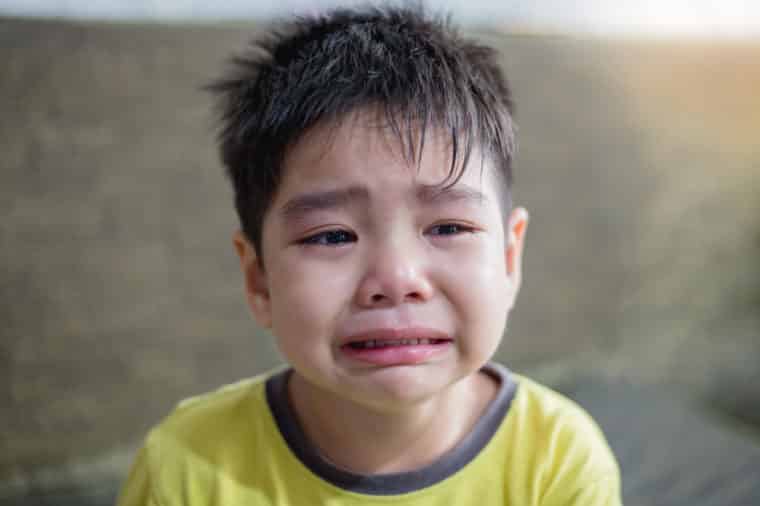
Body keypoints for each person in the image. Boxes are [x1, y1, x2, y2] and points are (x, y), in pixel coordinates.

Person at [116, 4, 622, 505]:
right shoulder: (185, 468)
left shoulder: (559, 462)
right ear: (259, 279)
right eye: (332, 236)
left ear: (510, 259)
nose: (398, 278)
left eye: (448, 227)